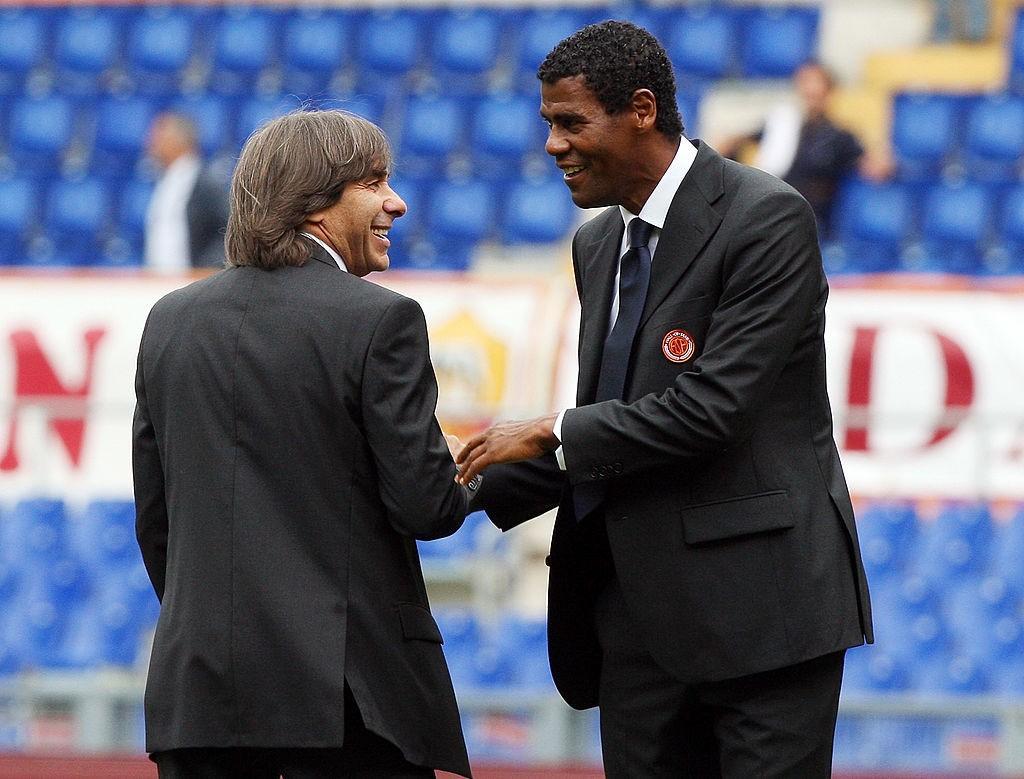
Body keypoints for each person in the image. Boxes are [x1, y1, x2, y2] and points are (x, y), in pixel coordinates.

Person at [455, 21, 872, 778]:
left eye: (570, 122)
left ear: (642, 110)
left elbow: (712, 409)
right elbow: (612, 426)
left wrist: (548, 430)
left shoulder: (766, 218)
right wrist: (455, 483)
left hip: (763, 618)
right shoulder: (595, 245)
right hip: (635, 626)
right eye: (549, 123)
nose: (552, 144)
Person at [133, 110, 473, 779]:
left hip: (197, 703)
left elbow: (157, 526)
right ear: (314, 202)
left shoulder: (169, 321)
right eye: (375, 182)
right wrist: (491, 469)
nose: (396, 202)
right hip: (346, 707)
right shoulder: (382, 319)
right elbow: (427, 505)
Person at [719, 61, 892, 236]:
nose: (811, 91)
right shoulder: (783, 126)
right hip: (771, 209)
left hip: (809, 219)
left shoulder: (840, 136)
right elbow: (738, 141)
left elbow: (871, 166)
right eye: (806, 83)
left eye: (817, 84)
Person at [144, 111, 229, 270]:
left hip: (191, 283)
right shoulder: (165, 180)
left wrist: (205, 270)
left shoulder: (206, 184)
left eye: (160, 136)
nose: (151, 142)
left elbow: (227, 231)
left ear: (178, 140)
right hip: (159, 281)